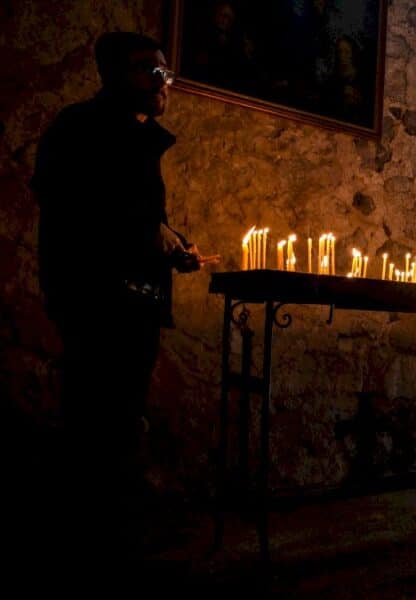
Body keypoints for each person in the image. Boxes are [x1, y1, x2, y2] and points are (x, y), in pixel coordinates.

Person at [30, 31, 218, 568]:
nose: (163, 82)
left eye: (166, 72)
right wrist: (148, 234)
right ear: (114, 74)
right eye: (148, 70)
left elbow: (140, 217)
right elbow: (74, 204)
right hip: (94, 300)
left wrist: (171, 244)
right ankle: (91, 540)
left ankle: (112, 533)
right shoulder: (79, 129)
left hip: (133, 300)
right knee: (94, 421)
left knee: (122, 418)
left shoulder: (136, 136)